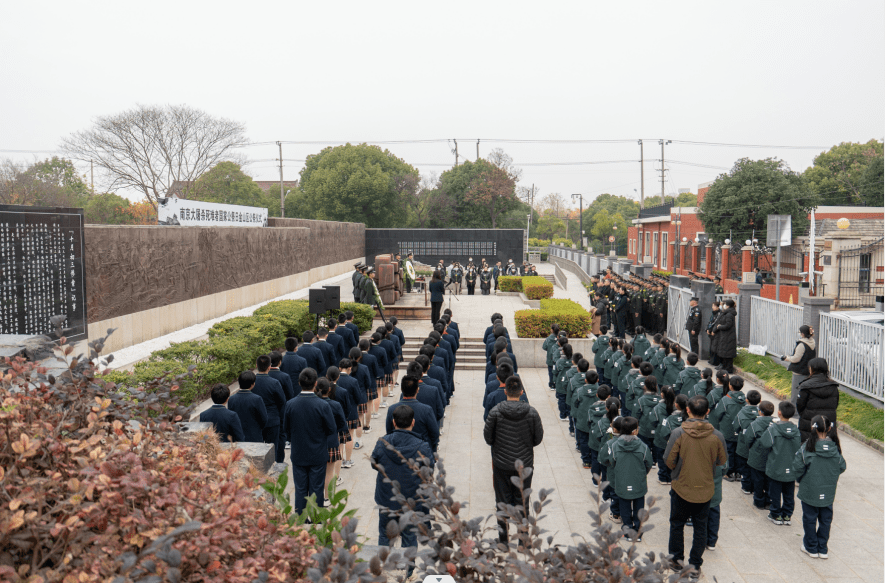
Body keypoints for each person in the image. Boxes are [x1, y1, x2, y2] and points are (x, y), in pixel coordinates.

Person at [664, 395, 728, 578]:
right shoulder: (717, 436)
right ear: (708, 412)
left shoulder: (678, 433)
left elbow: (669, 460)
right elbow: (722, 461)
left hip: (681, 487)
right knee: (701, 527)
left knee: (677, 524)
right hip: (705, 489)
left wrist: (679, 470)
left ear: (688, 410)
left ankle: (676, 560)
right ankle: (694, 566)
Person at [372, 404, 435, 573]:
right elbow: (429, 471)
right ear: (413, 423)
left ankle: (383, 570)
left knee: (385, 536)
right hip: (411, 501)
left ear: (393, 422)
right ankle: (408, 574)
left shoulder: (382, 443)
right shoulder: (422, 446)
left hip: (386, 499)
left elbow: (374, 463)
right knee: (409, 537)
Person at [483, 376, 544, 544]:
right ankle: (523, 542)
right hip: (524, 464)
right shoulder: (531, 412)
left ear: (505, 392)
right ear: (521, 392)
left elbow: (488, 438)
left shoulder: (495, 412)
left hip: (501, 464)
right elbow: (538, 439)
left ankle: (503, 542)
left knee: (501, 503)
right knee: (522, 502)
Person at [282, 368, 336, 513]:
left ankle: (300, 521)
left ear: (299, 383)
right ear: (316, 383)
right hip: (318, 453)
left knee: (300, 489)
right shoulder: (323, 405)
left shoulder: (290, 404)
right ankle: (317, 520)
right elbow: (331, 429)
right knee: (317, 488)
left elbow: (285, 429)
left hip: (298, 452)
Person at [793, 415, 846, 559]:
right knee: (826, 520)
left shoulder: (807, 447)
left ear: (812, 428)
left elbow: (797, 468)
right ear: (829, 429)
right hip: (828, 492)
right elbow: (842, 466)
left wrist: (801, 478)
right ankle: (822, 548)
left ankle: (811, 546)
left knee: (809, 519)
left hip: (810, 490)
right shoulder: (835, 448)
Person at [599, 415, 654, 542]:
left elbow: (610, 462)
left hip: (621, 482)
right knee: (639, 508)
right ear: (635, 431)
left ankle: (628, 530)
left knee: (624, 507)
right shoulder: (643, 447)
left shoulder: (614, 446)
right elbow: (648, 464)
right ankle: (638, 533)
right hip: (639, 482)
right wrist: (641, 473)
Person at [760, 401, 802, 526]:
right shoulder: (796, 430)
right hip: (791, 467)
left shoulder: (773, 428)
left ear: (779, 413)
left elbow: (765, 443)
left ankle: (776, 515)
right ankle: (787, 516)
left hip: (776, 467)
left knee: (775, 492)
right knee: (789, 493)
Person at [385, 376, 440, 453]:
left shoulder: (392, 409)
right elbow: (435, 434)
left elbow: (389, 431)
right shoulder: (426, 410)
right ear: (417, 390)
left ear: (401, 389)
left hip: (399, 451)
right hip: (421, 452)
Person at [709, 375, 746, 481]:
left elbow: (718, 414)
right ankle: (738, 473)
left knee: (728, 450)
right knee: (738, 451)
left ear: (730, 386)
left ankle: (729, 472)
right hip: (740, 430)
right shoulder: (745, 399)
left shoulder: (726, 399)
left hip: (727, 429)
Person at [253, 354, 287, 465]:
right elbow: (282, 402)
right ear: (269, 367)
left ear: (256, 366)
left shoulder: (252, 383)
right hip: (272, 420)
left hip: (256, 420)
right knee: (273, 448)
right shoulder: (274, 383)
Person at [317, 377, 347, 504]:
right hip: (331, 441)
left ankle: (316, 498)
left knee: (317, 472)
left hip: (315, 442)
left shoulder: (314, 404)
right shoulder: (335, 405)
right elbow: (342, 425)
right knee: (329, 471)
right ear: (329, 390)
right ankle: (327, 498)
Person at [796, 357, 840, 442]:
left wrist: (806, 415)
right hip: (828, 423)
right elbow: (835, 404)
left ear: (812, 369)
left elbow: (800, 406)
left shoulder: (806, 386)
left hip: (809, 423)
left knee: (808, 447)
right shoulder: (833, 386)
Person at [745, 400, 776, 510]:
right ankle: (768, 501)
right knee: (769, 481)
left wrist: (751, 448)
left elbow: (748, 438)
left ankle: (758, 501)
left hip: (757, 456)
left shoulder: (755, 424)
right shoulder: (776, 423)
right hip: (772, 456)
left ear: (760, 412)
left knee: (758, 480)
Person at [653, 391, 687, 486]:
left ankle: (664, 478)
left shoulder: (668, 419)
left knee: (664, 460)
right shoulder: (688, 418)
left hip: (668, 445)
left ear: (676, 405)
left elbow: (664, 433)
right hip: (684, 446)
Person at [733, 389, 762, 495]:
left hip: (743, 443)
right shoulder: (761, 413)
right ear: (760, 400)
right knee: (754, 468)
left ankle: (746, 486)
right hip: (757, 445)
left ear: (746, 400)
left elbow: (736, 425)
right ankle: (754, 487)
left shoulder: (742, 412)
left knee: (744, 467)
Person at [227, 371, 268, 442]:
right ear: (253, 384)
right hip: (254, 435)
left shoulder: (231, 399)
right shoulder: (257, 399)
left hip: (237, 438)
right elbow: (264, 419)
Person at [781, 325, 816, 404]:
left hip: (799, 372)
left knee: (796, 392)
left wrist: (787, 358)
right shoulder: (812, 342)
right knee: (805, 392)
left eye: (800, 332)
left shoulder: (802, 345)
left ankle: (795, 412)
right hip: (808, 370)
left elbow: (796, 359)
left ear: (802, 334)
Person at [711, 299, 737, 373]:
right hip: (726, 336)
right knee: (725, 352)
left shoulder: (729, 314)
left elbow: (728, 325)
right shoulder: (727, 313)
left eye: (724, 304)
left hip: (728, 336)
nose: (723, 306)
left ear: (727, 306)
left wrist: (719, 327)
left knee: (728, 353)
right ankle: (724, 367)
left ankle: (728, 369)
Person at [542, 324, 561, 389]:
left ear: (552, 330)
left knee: (551, 372)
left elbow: (544, 347)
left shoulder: (548, 339)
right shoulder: (561, 339)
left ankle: (552, 384)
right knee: (558, 371)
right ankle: (557, 383)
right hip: (559, 359)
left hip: (550, 359)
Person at [705, 302, 722, 366]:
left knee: (714, 348)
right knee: (711, 347)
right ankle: (711, 360)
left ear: (717, 307)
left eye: (713, 306)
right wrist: (707, 329)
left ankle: (715, 361)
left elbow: (716, 323)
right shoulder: (713, 313)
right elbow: (710, 321)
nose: (712, 307)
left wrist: (714, 331)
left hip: (716, 333)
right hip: (711, 332)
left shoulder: (719, 314)